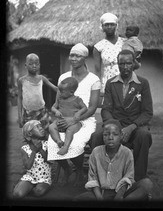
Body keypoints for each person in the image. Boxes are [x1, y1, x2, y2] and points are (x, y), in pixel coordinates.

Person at [90, 49, 153, 182]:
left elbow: (147, 112)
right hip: (115, 123)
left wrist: (131, 127)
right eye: (122, 64)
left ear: (134, 64)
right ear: (117, 64)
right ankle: (100, 176)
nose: (125, 67)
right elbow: (106, 109)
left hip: (135, 125)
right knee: (96, 136)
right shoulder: (111, 83)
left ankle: (138, 178)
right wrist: (115, 128)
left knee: (144, 135)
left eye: (128, 63)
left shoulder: (142, 83)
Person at [47, 43, 101, 186]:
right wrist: (60, 117)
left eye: (78, 55)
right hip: (63, 118)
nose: (73, 58)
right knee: (52, 144)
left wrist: (74, 119)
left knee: (75, 143)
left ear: (85, 58)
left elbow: (92, 107)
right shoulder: (63, 78)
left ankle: (79, 169)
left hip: (84, 120)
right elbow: (57, 102)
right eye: (71, 55)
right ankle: (67, 168)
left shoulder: (93, 80)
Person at [74, 119, 153, 201]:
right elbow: (93, 178)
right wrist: (99, 198)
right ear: (103, 136)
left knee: (147, 184)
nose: (110, 138)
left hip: (122, 192)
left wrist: (118, 197)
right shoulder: (96, 152)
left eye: (115, 134)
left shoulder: (127, 153)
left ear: (121, 136)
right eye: (106, 135)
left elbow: (128, 178)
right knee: (77, 199)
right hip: (102, 192)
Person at [17, 53, 58, 131]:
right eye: (31, 64)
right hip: (28, 114)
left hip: (42, 112)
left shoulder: (41, 78)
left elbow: (55, 88)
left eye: (37, 64)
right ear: (25, 65)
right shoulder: (21, 80)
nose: (34, 66)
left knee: (45, 132)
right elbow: (19, 98)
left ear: (39, 65)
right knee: (31, 135)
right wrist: (20, 116)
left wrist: (68, 89)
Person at [13, 120, 52, 199]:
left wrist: (40, 149)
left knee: (38, 192)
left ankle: (28, 188)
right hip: (30, 177)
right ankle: (25, 186)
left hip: (44, 178)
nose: (41, 128)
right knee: (17, 194)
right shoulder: (24, 148)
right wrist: (34, 152)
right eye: (37, 127)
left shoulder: (47, 144)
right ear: (29, 134)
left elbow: (50, 161)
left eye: (41, 126)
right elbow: (28, 166)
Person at [49, 76, 87, 155]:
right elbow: (53, 107)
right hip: (60, 121)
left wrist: (78, 113)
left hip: (73, 123)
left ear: (71, 92)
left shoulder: (77, 100)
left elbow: (85, 108)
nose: (60, 93)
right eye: (60, 90)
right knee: (51, 127)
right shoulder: (60, 99)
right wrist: (55, 111)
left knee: (69, 131)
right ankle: (58, 141)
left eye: (62, 91)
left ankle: (65, 147)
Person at [93, 12, 125, 102]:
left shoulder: (125, 42)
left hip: (125, 77)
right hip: (108, 80)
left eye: (112, 24)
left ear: (116, 26)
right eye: (106, 25)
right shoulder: (98, 47)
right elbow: (97, 70)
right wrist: (98, 87)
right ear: (102, 27)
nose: (109, 27)